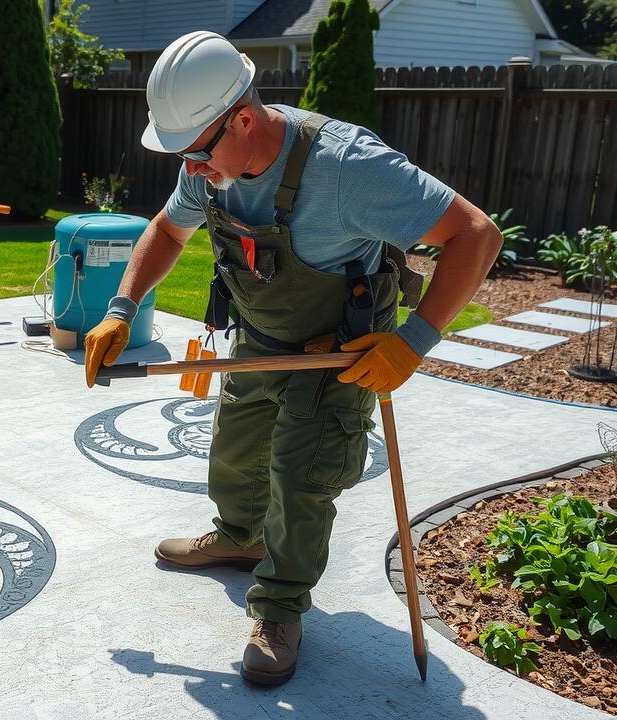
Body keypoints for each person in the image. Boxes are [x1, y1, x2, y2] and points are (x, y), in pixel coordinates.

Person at [82, 31, 502, 686]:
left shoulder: (347, 167)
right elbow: (167, 229)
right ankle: (239, 537)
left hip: (339, 352)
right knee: (235, 451)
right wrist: (121, 308)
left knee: (301, 478)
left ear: (243, 119)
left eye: (195, 154)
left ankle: (280, 609)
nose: (190, 170)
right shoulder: (210, 160)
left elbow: (476, 234)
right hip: (259, 335)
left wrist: (413, 343)